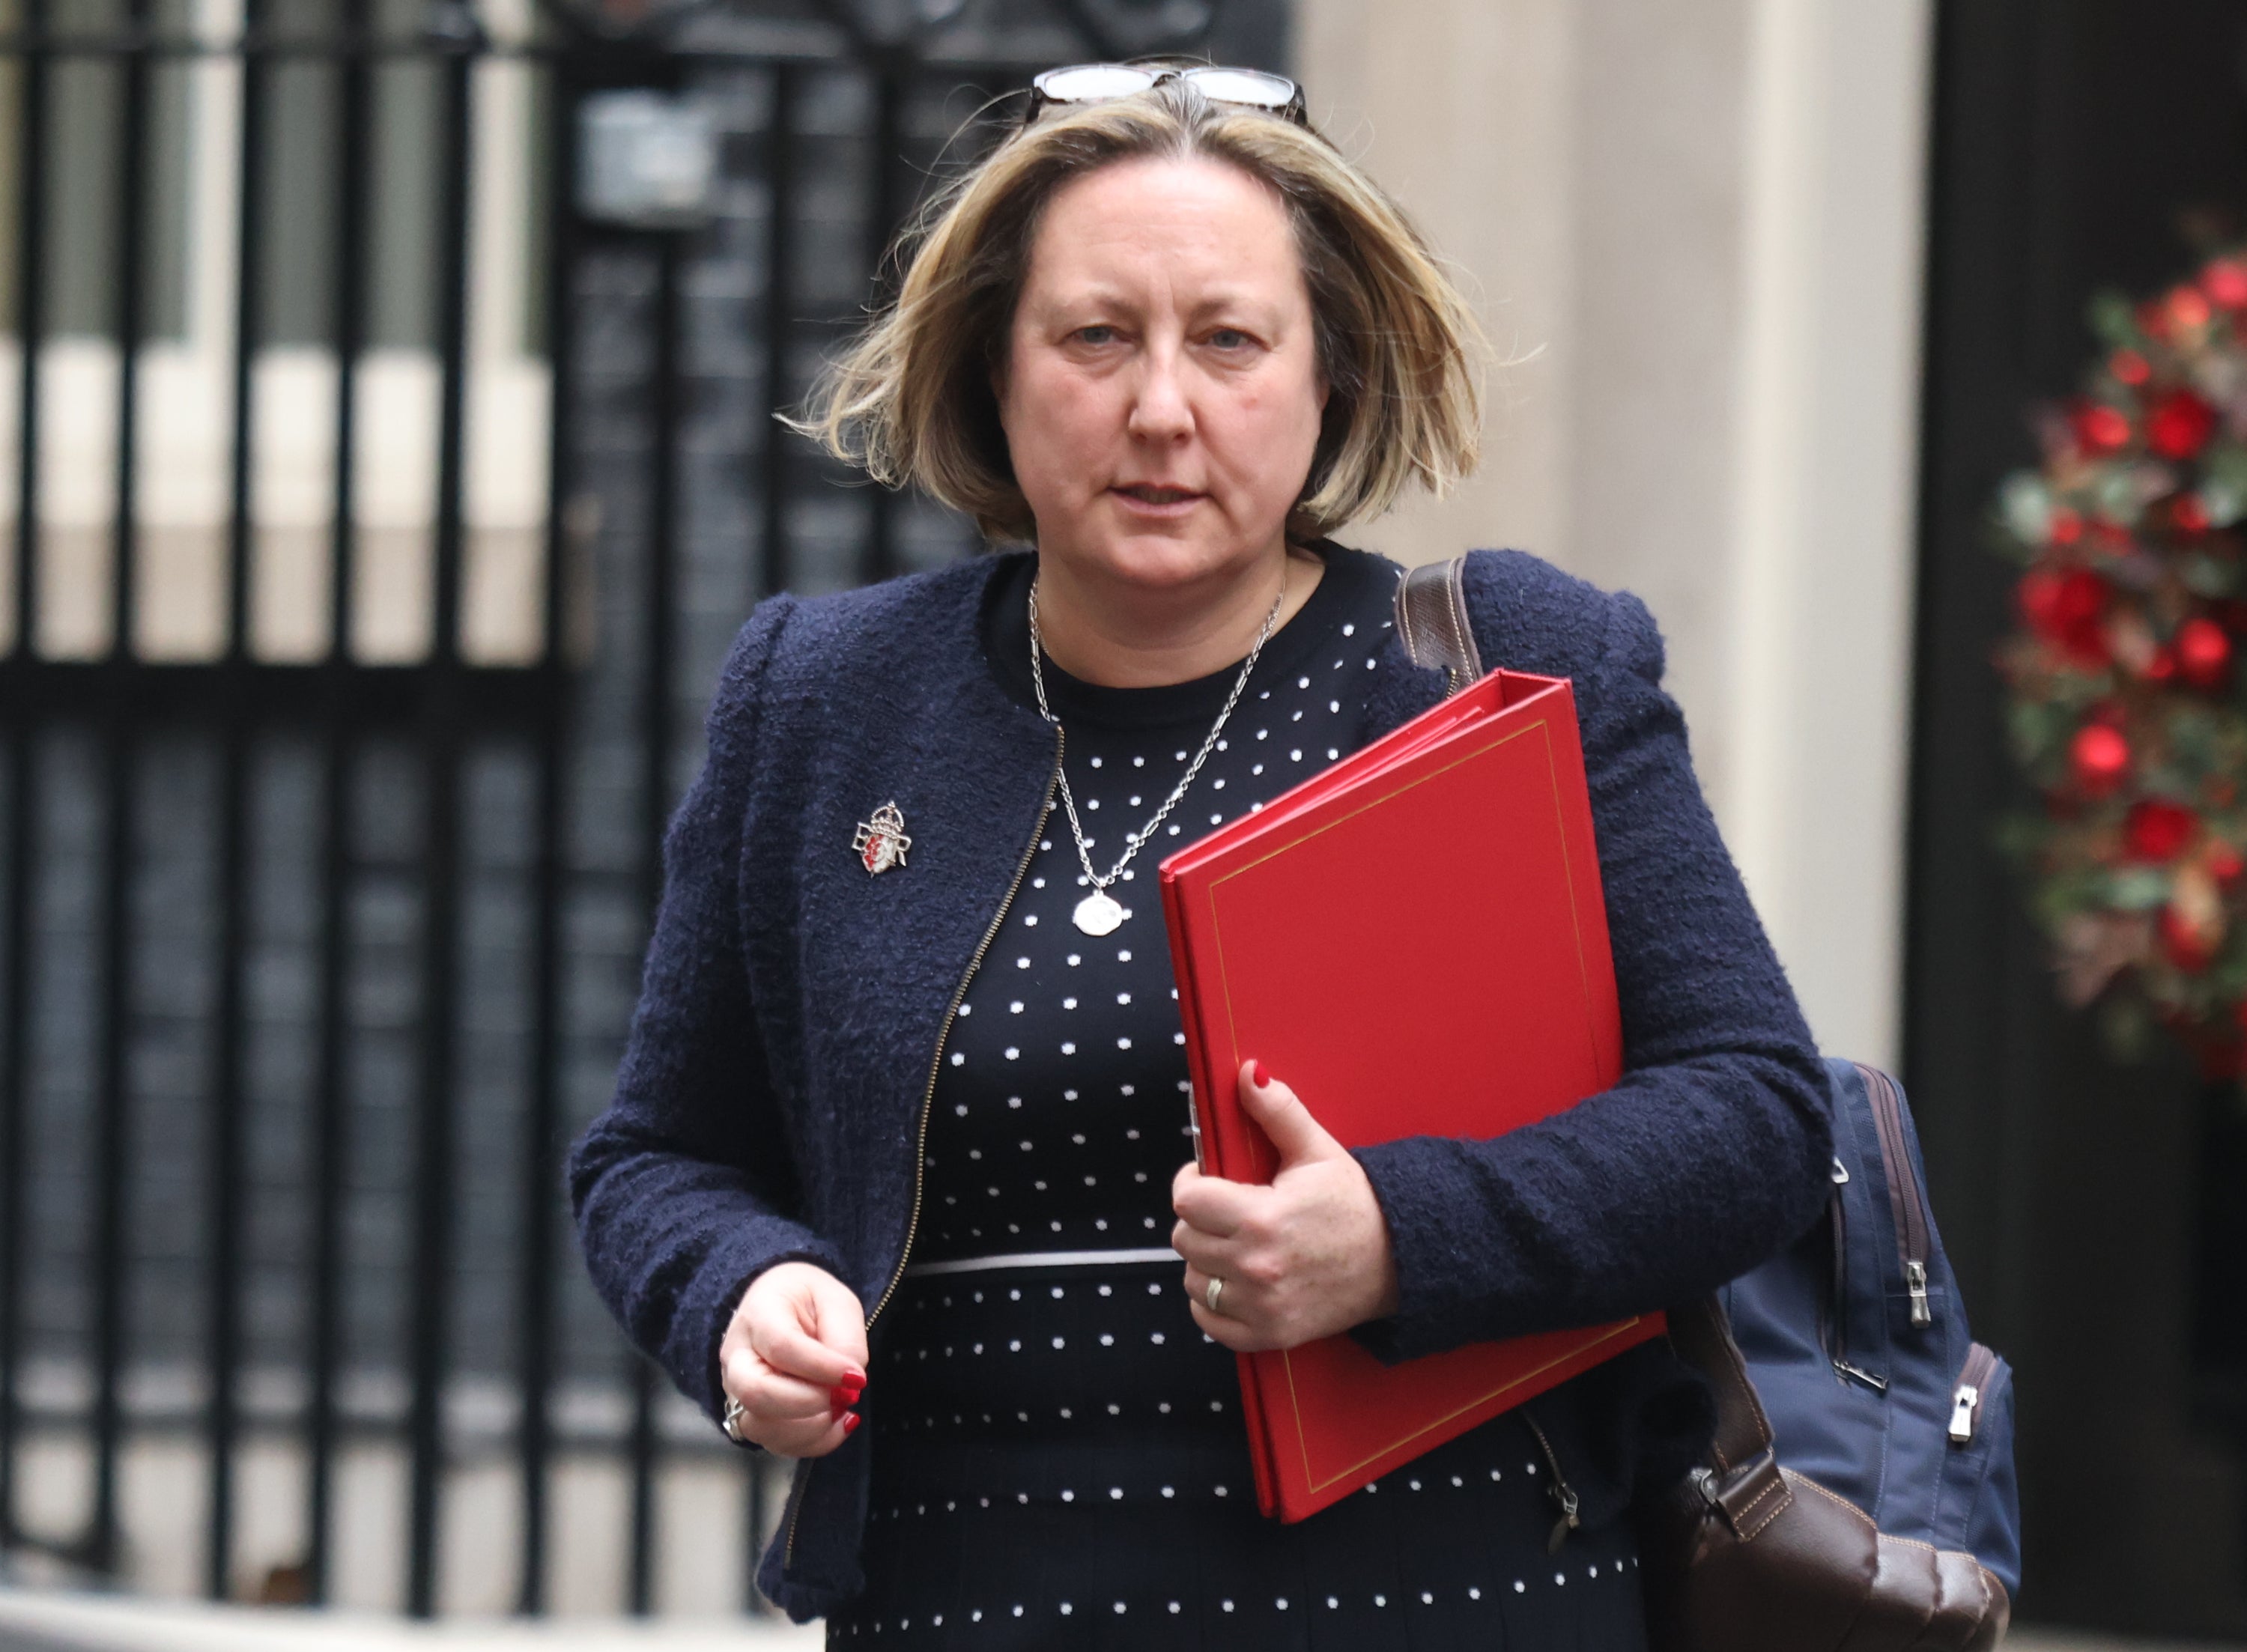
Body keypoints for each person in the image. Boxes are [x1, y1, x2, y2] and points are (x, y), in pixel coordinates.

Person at [569, 61, 1833, 1648]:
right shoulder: (823, 699)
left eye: (1229, 340)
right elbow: (658, 1156)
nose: (1161, 407)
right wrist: (740, 1293)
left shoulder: (1512, 666)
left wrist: (1398, 1232)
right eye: (1096, 336)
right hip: (965, 1605)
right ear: (994, 367)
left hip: (1456, 1597)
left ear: (1330, 378)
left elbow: (1757, 1115)